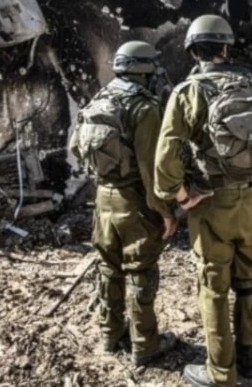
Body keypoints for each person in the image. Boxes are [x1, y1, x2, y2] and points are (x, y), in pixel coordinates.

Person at [154, 15, 252, 386]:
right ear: (227, 48)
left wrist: (185, 197)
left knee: (213, 287)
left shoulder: (188, 92)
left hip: (211, 203)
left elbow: (165, 164)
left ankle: (220, 373)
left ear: (192, 52)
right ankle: (246, 359)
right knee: (246, 280)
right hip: (251, 199)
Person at [69, 40, 178, 366]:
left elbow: (76, 148)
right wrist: (165, 212)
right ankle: (145, 345)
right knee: (141, 273)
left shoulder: (99, 100)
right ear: (146, 70)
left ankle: (110, 335)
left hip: (103, 200)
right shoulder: (144, 107)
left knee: (108, 269)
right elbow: (151, 168)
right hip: (135, 202)